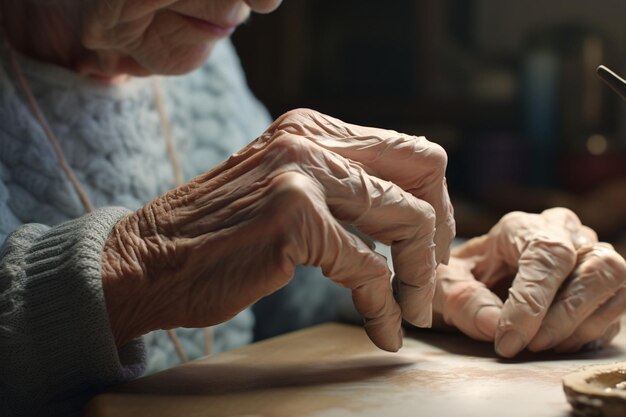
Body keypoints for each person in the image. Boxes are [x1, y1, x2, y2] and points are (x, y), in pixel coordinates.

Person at [0, 1, 623, 416]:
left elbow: (280, 290)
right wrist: (137, 268)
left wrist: (450, 275)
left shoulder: (193, 56)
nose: (267, 2)